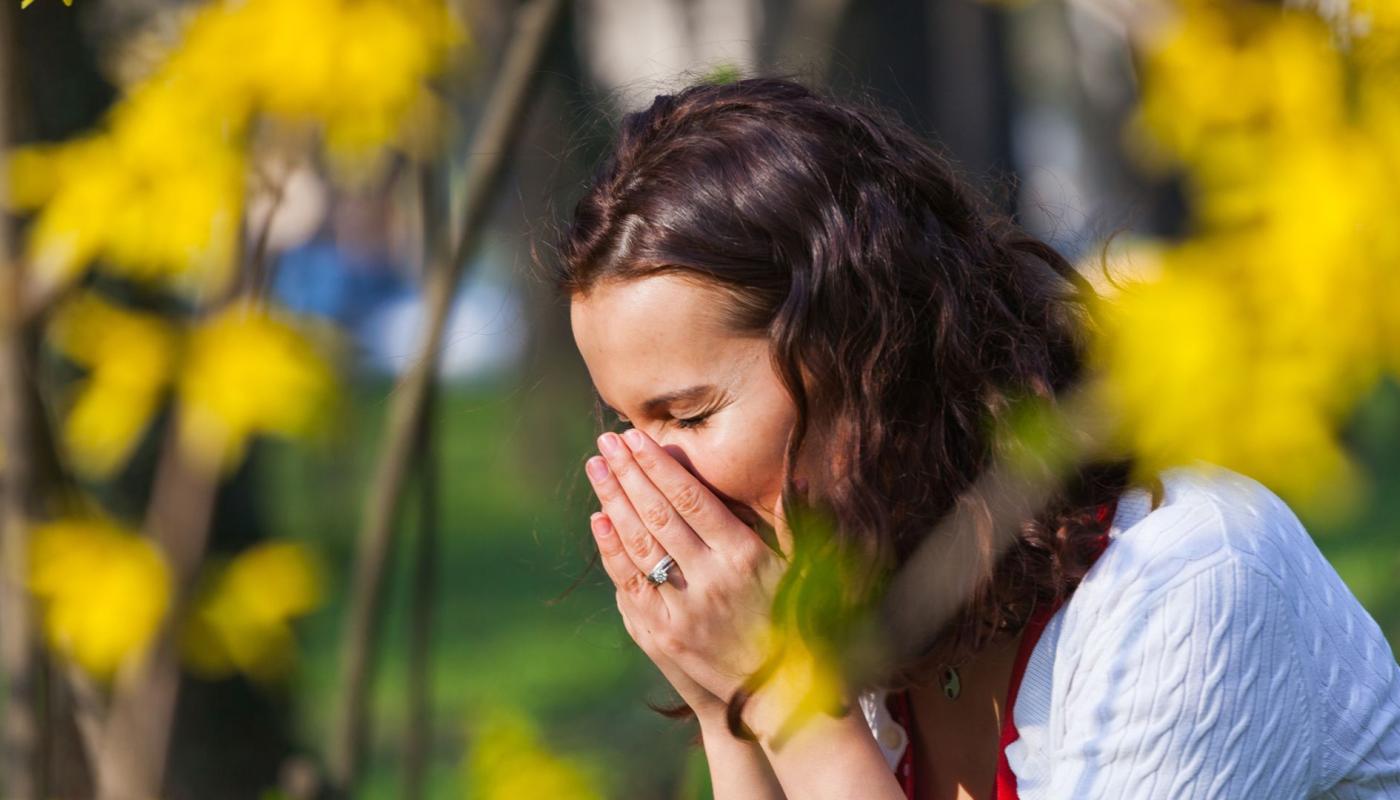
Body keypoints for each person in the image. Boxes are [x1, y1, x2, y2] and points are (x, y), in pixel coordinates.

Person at [554, 77, 1400, 799]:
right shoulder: (864, 597)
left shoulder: (1187, 580)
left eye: (689, 416)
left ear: (866, 361)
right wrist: (727, 710)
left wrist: (785, 700)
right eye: (626, 425)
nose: (643, 475)